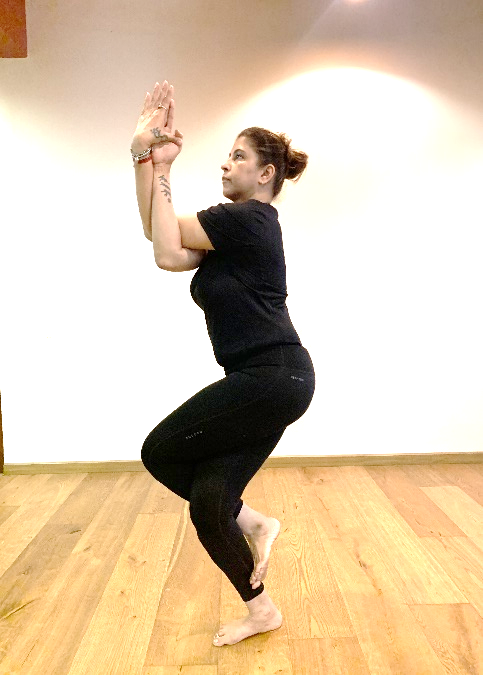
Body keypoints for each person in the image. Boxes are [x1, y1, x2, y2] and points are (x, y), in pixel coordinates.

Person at [131, 80, 316, 647]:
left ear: (266, 174)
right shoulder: (234, 232)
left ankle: (251, 518)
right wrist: (148, 162)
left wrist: (146, 157)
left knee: (159, 450)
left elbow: (165, 242)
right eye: (228, 154)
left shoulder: (247, 219)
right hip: (269, 380)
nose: (225, 163)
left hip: (272, 374)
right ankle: (260, 608)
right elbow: (164, 246)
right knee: (209, 504)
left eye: (239, 155)